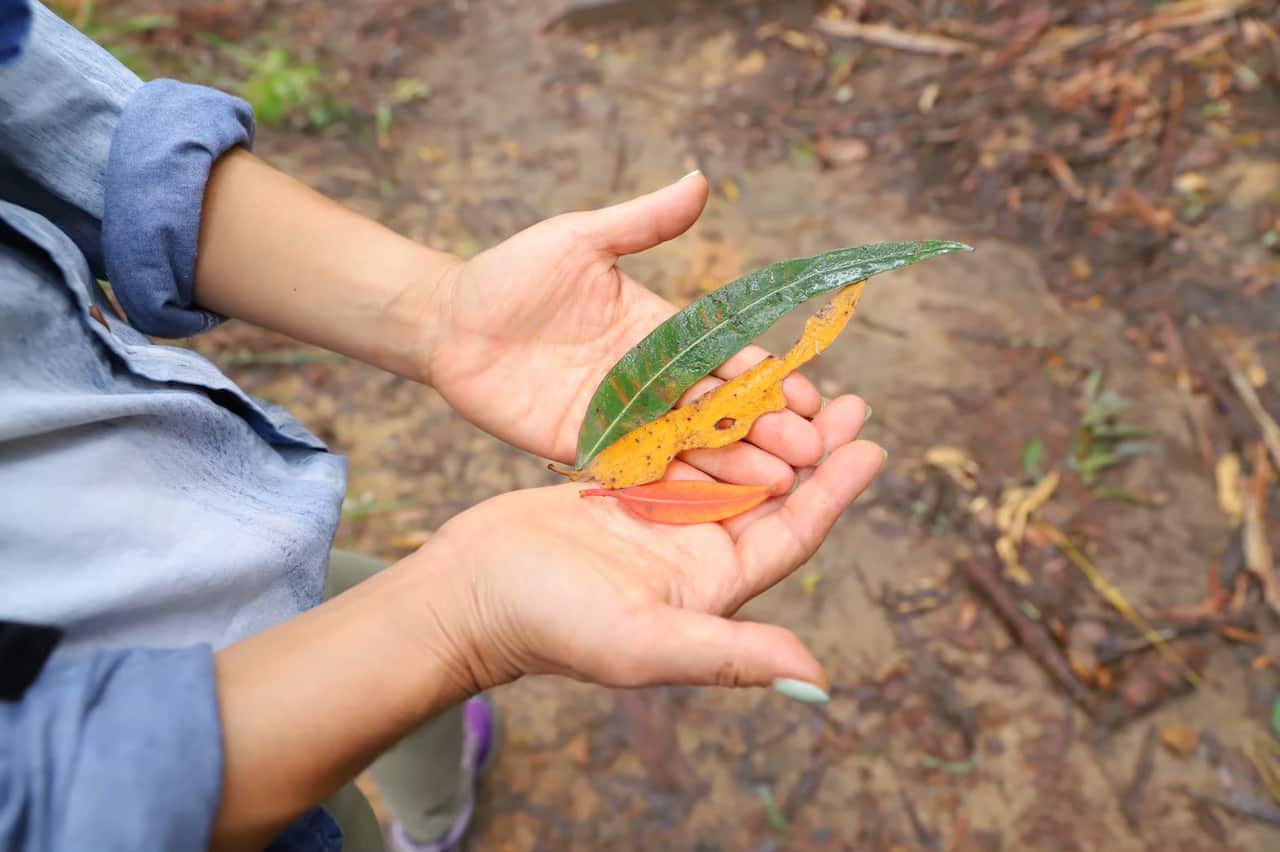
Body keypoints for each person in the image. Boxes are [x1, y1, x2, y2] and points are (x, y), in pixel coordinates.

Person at [0, 2, 884, 851]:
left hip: (191, 537)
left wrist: (437, 310)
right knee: (345, 715)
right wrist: (455, 622)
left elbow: (27, 83)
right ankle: (434, 797)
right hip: (197, 790)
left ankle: (438, 755)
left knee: (332, 585)